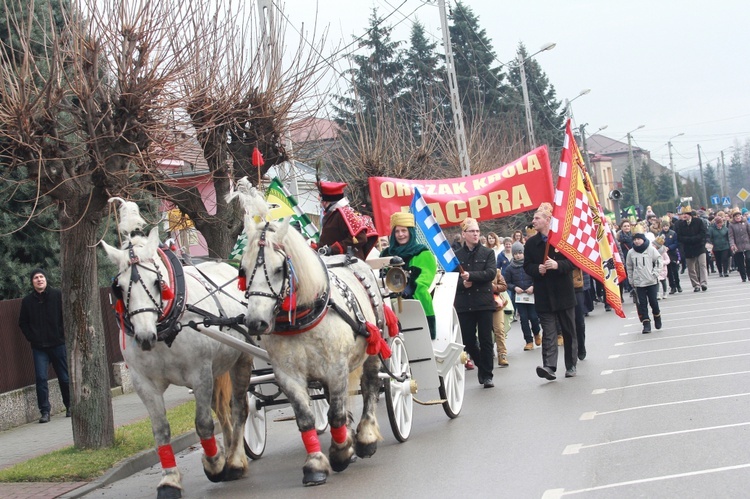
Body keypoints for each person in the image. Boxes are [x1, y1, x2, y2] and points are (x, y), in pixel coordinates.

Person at [524, 203, 578, 380]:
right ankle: (549, 366)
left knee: (569, 331)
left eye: (537, 218)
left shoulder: (562, 239)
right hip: (544, 294)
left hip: (563, 293)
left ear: (548, 220)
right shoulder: (531, 243)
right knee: (549, 332)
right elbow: (527, 266)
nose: (534, 221)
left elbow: (574, 262)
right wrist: (536, 269)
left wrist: (557, 265)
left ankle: (571, 365)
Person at [18, 268, 71, 423]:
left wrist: (62, 334)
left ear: (46, 279)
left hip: (58, 344)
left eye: (41, 277)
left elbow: (65, 316)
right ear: (32, 282)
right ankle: (45, 412)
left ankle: (69, 406)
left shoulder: (57, 295)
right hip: (39, 347)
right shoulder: (27, 301)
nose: (39, 279)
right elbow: (22, 323)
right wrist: (32, 337)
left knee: (65, 377)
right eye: (36, 278)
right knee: (41, 379)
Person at [454, 217, 498, 388]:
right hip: (465, 303)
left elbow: (490, 273)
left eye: (477, 231)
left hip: (483, 301)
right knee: (468, 340)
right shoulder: (457, 256)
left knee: (486, 339)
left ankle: (488, 375)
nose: (475, 234)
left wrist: (471, 276)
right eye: (472, 231)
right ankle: (481, 364)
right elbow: (451, 279)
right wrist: (462, 283)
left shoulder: (487, 253)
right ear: (464, 234)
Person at [380, 212, 438, 339]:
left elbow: (425, 276)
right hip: (386, 295)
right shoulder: (386, 253)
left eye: (404, 230)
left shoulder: (421, 252)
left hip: (410, 294)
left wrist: (410, 288)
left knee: (420, 290)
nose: (400, 235)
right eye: (397, 231)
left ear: (410, 232)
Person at [317, 180, 378, 260]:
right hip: (332, 261)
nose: (321, 204)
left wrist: (334, 249)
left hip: (348, 262)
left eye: (322, 201)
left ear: (325, 202)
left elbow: (361, 238)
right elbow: (328, 240)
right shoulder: (333, 214)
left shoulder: (344, 213)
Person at [503, 241, 541, 351]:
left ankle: (537, 333)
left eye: (520, 253)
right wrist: (514, 288)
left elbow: (536, 278)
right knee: (523, 319)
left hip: (531, 295)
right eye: (515, 253)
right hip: (519, 297)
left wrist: (533, 287)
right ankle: (528, 341)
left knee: (534, 317)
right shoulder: (510, 268)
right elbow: (507, 282)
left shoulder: (529, 265)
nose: (518, 255)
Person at [625, 233, 663, 333]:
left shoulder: (651, 249)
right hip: (639, 282)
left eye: (638, 239)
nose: (636, 241)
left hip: (651, 281)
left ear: (643, 239)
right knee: (642, 304)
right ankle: (646, 323)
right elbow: (629, 267)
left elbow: (659, 260)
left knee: (653, 301)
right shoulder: (631, 252)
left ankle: (657, 316)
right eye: (635, 239)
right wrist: (631, 279)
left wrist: (655, 273)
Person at [675, 210, 708, 292]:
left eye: (686, 214)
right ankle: (696, 285)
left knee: (702, 265)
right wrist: (688, 240)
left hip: (699, 246)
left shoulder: (698, 221)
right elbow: (679, 236)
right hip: (688, 248)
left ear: (690, 215)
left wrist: (695, 239)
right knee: (691, 268)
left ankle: (703, 283)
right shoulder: (680, 224)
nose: (684, 215)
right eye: (683, 214)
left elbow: (703, 233)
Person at [490, 270, 510, 367]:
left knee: (499, 330)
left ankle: (502, 354)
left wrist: (494, 287)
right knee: (483, 332)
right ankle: (487, 353)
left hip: (496, 305)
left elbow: (504, 286)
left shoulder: (496, 271)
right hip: (480, 305)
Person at [659, 219, 682, 293]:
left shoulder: (673, 233)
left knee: (675, 271)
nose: (665, 228)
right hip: (665, 254)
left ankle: (678, 285)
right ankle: (672, 286)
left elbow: (676, 243)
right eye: (664, 226)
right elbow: (658, 244)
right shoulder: (660, 235)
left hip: (672, 253)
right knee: (668, 272)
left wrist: (669, 247)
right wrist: (663, 248)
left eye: (667, 226)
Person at [728, 209, 750, 282]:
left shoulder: (745, 222)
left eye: (739, 216)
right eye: (736, 216)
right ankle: (743, 276)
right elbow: (731, 236)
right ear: (734, 217)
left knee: (748, 259)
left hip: (747, 244)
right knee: (740, 261)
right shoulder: (731, 225)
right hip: (737, 246)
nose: (738, 217)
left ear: (741, 216)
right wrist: (732, 244)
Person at [708, 213, 731, 278]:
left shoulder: (725, 228)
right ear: (716, 223)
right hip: (716, 247)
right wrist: (710, 248)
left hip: (725, 246)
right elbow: (709, 238)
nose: (720, 224)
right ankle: (720, 271)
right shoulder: (711, 229)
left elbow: (728, 237)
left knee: (725, 259)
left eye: (722, 223)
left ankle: (725, 271)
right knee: (718, 260)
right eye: (719, 223)